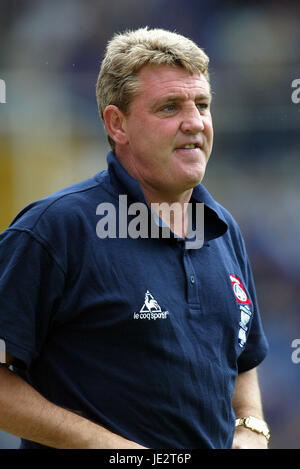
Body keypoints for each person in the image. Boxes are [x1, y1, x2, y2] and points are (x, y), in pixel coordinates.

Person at [0, 27, 269, 449]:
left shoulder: (222, 229)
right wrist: (102, 445)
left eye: (202, 104)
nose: (194, 122)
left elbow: (243, 358)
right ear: (117, 124)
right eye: (169, 108)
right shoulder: (56, 229)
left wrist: (250, 427)